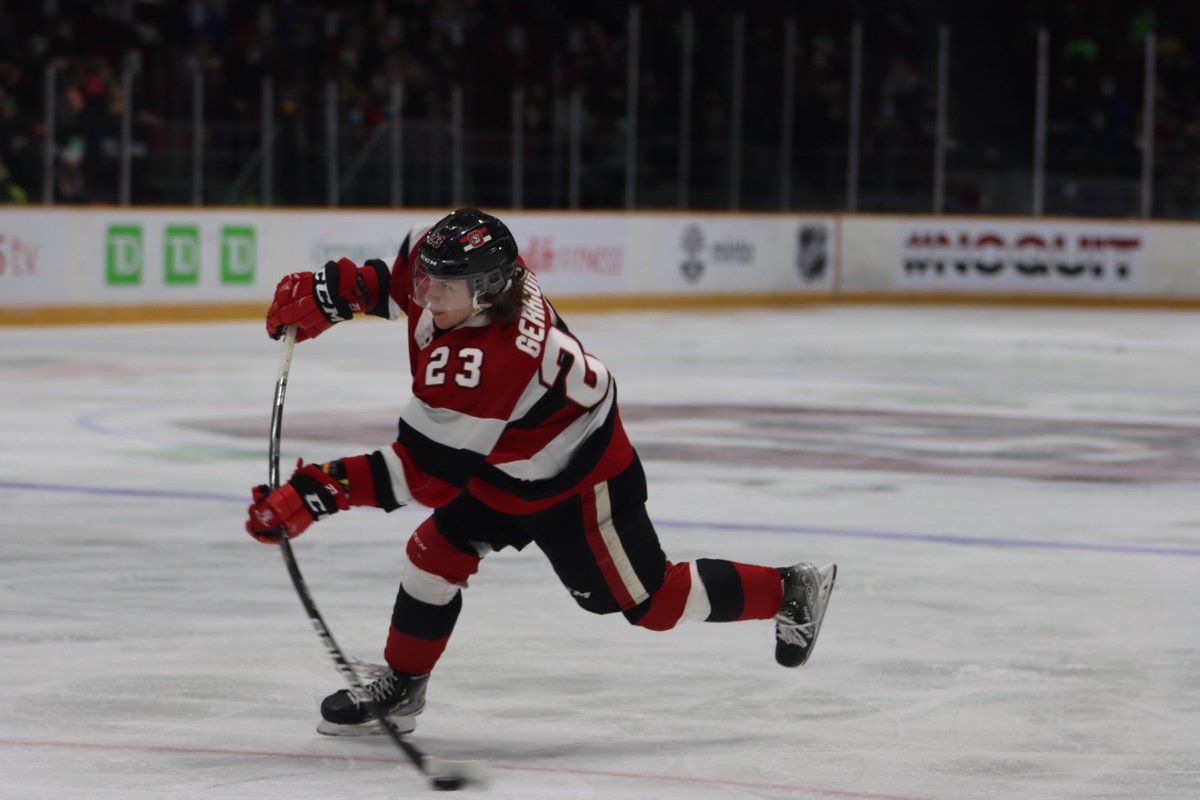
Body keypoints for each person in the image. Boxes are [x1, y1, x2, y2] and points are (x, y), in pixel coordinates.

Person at [245, 208, 837, 736]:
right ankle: (403, 687)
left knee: (649, 603)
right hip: (502, 459)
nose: (427, 294)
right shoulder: (467, 273)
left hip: (580, 480)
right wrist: (334, 293)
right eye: (429, 277)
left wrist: (317, 491)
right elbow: (396, 280)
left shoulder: (487, 359)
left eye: (443, 286)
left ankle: (789, 589)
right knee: (435, 552)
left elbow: (423, 476)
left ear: (487, 289)